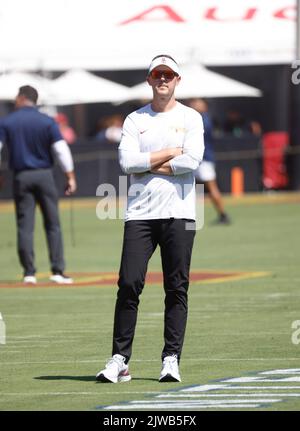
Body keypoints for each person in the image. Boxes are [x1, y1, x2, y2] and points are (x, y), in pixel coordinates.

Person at [96, 55, 204, 383]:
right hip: (140, 213)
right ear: (149, 80)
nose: (163, 80)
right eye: (157, 74)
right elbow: (127, 164)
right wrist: (169, 152)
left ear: (177, 80)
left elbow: (193, 160)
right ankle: (119, 359)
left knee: (176, 287)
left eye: (168, 75)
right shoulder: (134, 120)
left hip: (181, 213)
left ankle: (171, 358)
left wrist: (148, 163)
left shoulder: (191, 117)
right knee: (129, 283)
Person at [0, 85, 77, 285]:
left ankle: (29, 273)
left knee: (25, 225)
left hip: (21, 176)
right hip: (44, 175)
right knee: (52, 223)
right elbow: (61, 150)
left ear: (21, 97)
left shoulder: (7, 121)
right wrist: (70, 176)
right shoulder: (47, 121)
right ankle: (58, 270)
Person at [188, 98, 231, 225]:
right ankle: (190, 218)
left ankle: (223, 215)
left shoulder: (204, 120)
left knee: (212, 188)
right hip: (195, 159)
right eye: (192, 102)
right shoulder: (195, 118)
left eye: (197, 102)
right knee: (188, 189)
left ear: (204, 106)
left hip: (204, 160)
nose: (193, 104)